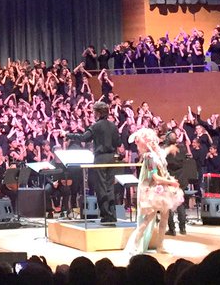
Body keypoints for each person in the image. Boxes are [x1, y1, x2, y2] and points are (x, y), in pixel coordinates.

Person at [123, 127, 182, 256]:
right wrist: (170, 182)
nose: (155, 143)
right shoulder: (149, 157)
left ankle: (160, 245)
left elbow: (163, 154)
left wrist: (170, 149)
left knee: (165, 218)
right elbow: (155, 177)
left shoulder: (158, 153)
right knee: (148, 219)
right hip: (155, 190)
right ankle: (135, 245)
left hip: (164, 189)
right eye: (153, 141)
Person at [67, 100, 122, 225]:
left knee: (101, 187)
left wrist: (68, 135)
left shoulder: (96, 126)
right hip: (111, 158)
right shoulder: (113, 126)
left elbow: (83, 138)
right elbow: (118, 143)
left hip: (100, 159)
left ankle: (105, 216)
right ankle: (112, 216)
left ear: (97, 113)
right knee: (110, 187)